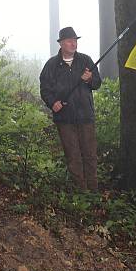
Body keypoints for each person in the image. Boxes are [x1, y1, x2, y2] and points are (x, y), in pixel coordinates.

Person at [39, 27, 102, 191]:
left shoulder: (86, 61)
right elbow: (45, 88)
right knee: (73, 156)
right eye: (69, 41)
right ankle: (81, 192)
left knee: (90, 155)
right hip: (64, 118)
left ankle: (93, 191)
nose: (73, 43)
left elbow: (97, 83)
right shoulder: (52, 65)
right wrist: (53, 103)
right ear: (61, 44)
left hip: (86, 116)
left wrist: (90, 79)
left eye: (75, 40)